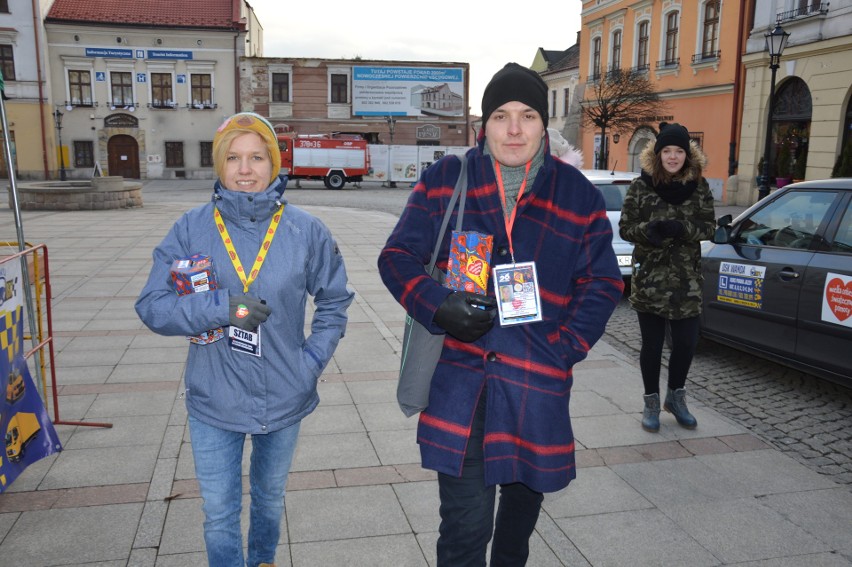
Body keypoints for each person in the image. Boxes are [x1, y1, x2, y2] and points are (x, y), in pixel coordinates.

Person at [378, 63, 624, 566]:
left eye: (528, 115)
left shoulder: (576, 194)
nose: (514, 129)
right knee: (465, 532)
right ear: (483, 125)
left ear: (543, 125)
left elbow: (602, 282)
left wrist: (565, 349)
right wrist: (437, 304)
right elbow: (396, 258)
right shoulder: (449, 178)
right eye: (501, 116)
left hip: (535, 388)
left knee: (514, 537)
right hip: (460, 385)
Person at [135, 112, 353, 567]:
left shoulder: (305, 230)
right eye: (233, 157)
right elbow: (152, 306)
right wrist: (222, 307)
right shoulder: (191, 229)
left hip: (285, 393)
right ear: (219, 164)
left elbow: (334, 301)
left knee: (270, 501)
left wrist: (308, 363)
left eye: (257, 157)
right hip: (214, 397)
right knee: (219, 513)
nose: (245, 169)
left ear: (274, 163)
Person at [618, 122, 715, 433]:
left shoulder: (700, 187)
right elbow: (625, 228)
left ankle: (676, 397)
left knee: (686, 344)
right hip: (650, 280)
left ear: (687, 155)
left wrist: (683, 229)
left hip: (687, 281)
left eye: (679, 151)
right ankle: (650, 402)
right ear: (657, 154)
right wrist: (648, 231)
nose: (673, 157)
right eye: (667, 151)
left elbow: (709, 227)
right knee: (652, 346)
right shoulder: (640, 186)